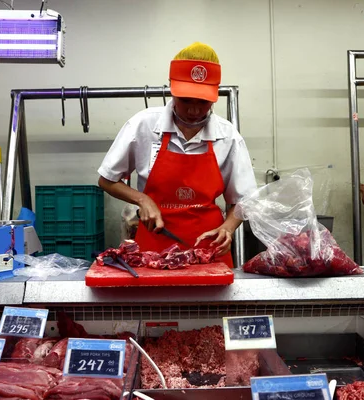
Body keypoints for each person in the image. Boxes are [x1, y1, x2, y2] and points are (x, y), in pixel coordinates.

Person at [98, 42, 256, 267]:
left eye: (203, 102)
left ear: (214, 97)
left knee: (212, 303)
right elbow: (106, 179)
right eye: (185, 100)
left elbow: (243, 200)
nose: (193, 110)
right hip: (154, 248)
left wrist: (227, 229)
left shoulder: (228, 136)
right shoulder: (143, 125)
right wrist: (142, 199)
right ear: (172, 90)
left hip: (209, 250)